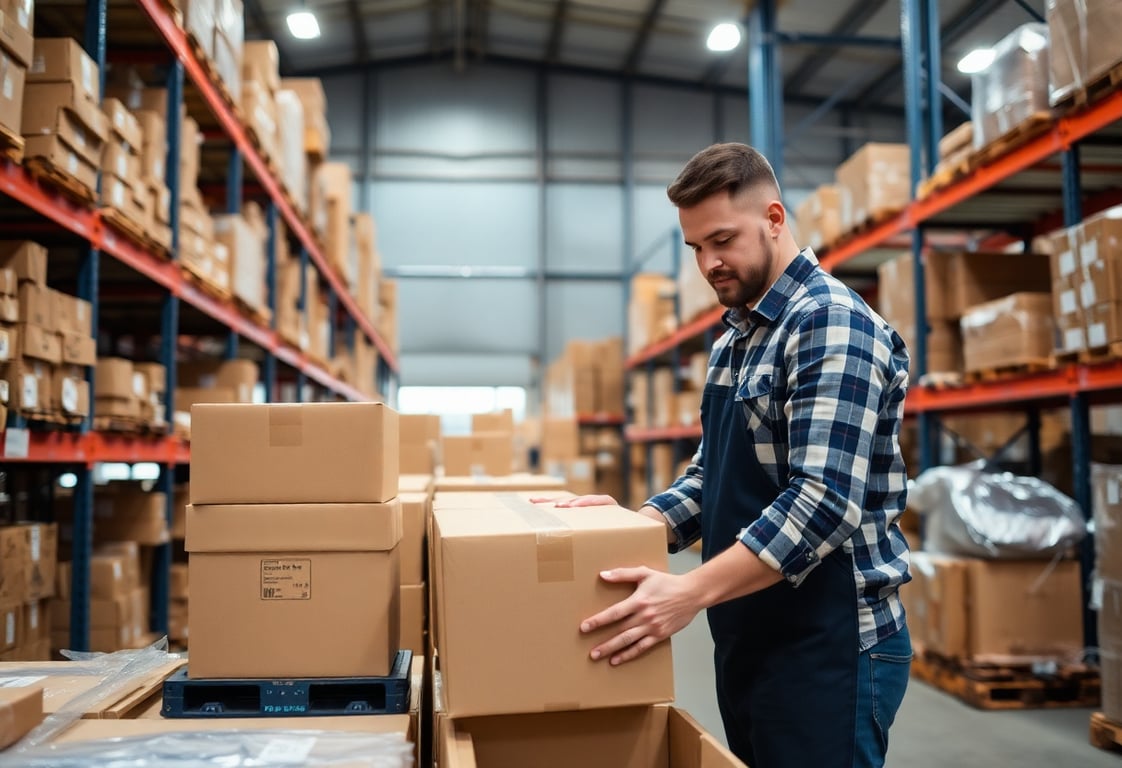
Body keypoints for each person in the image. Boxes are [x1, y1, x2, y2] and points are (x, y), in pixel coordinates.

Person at [552, 143, 912, 768]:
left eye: (722, 240)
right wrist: (636, 523)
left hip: (828, 643)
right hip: (751, 627)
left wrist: (689, 591)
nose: (709, 263)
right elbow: (712, 476)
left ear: (774, 218)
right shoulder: (737, 338)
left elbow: (824, 503)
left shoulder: (830, 324)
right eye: (695, 248)